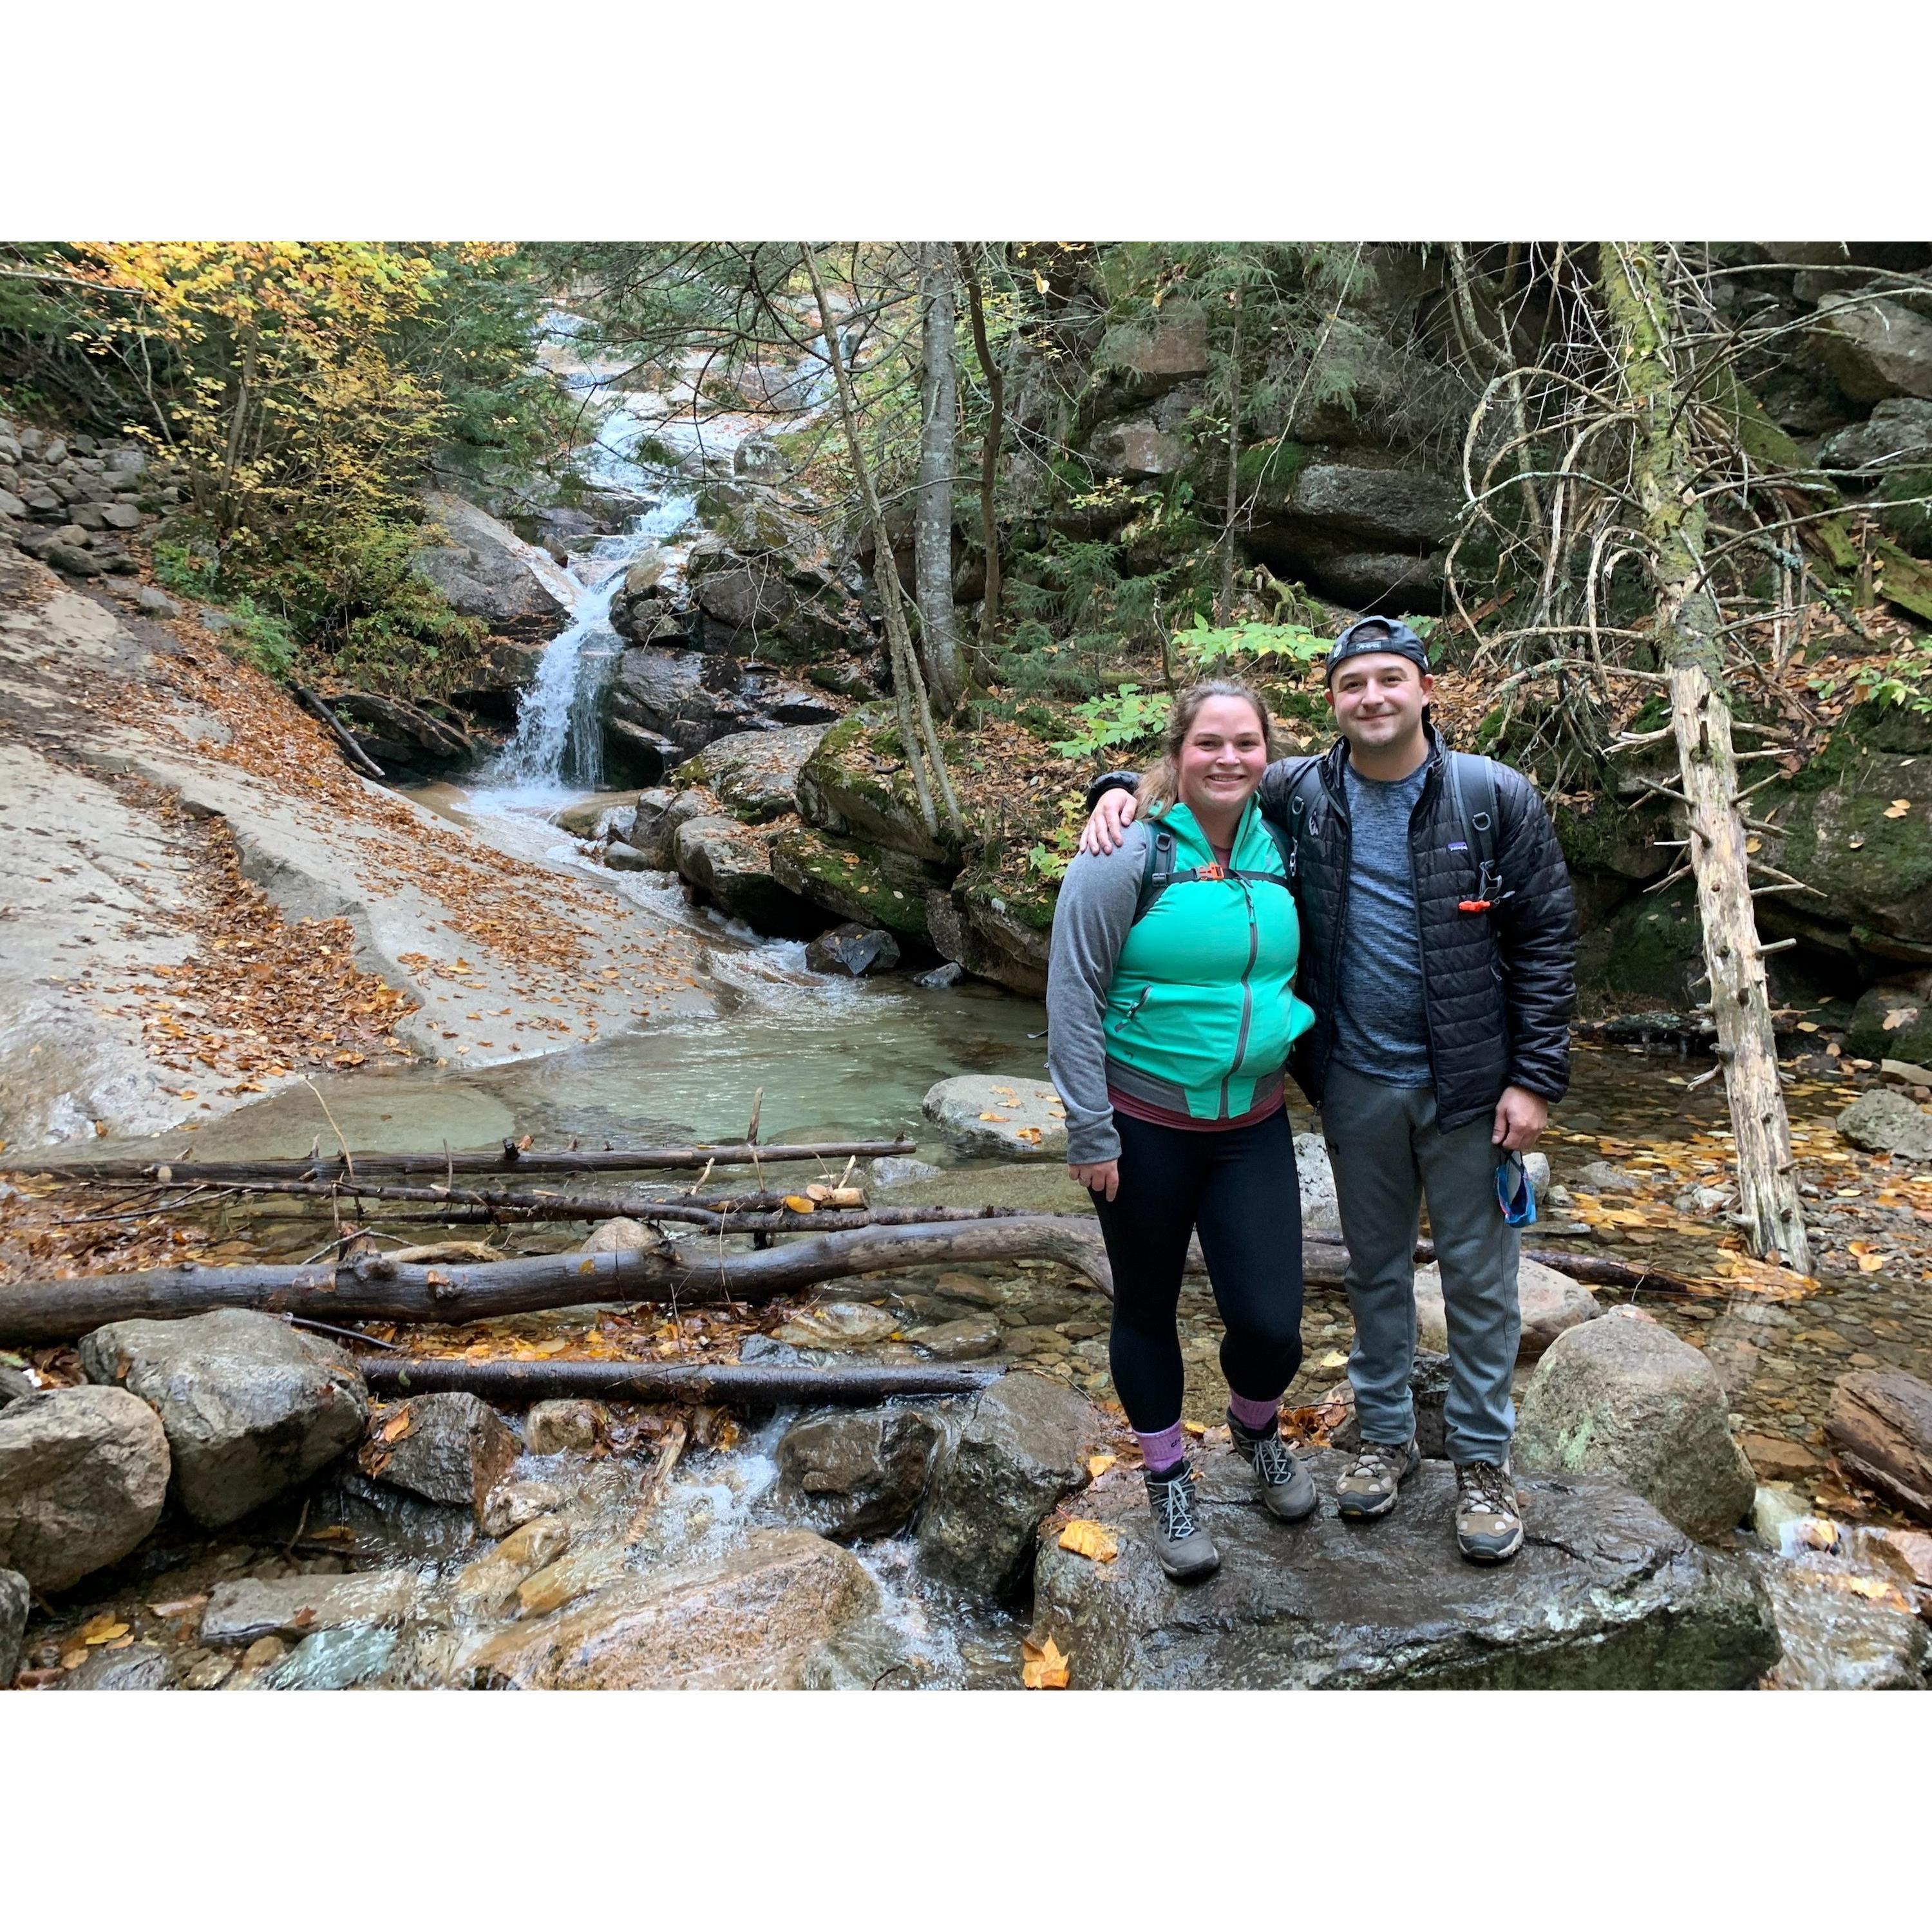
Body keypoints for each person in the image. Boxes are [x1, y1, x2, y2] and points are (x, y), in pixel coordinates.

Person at [1078, 618, 1575, 1563]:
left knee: (1480, 1281)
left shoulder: (1493, 797)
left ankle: (1481, 1463)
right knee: (1375, 1272)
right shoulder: (1300, 792)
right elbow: (1196, 775)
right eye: (1354, 685)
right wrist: (1111, 791)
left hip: (1473, 1086)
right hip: (1353, 1080)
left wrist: (1535, 1079)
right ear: (1333, 704)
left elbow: (1547, 940)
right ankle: (1383, 1441)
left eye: (1393, 680)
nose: (1374, 698)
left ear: (1428, 691)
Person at [1047, 679, 1317, 1582]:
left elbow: (1370, 768)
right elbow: (1072, 994)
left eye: (1246, 743)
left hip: (1254, 1121)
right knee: (1147, 1305)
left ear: (1269, 755)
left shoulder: (1290, 839)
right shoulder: (1125, 852)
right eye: (1209, 743)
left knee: (1273, 1323)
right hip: (1144, 1120)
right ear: (1179, 752)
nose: (1229, 759)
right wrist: (1090, 1131)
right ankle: (1167, 1475)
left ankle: (1253, 1425)